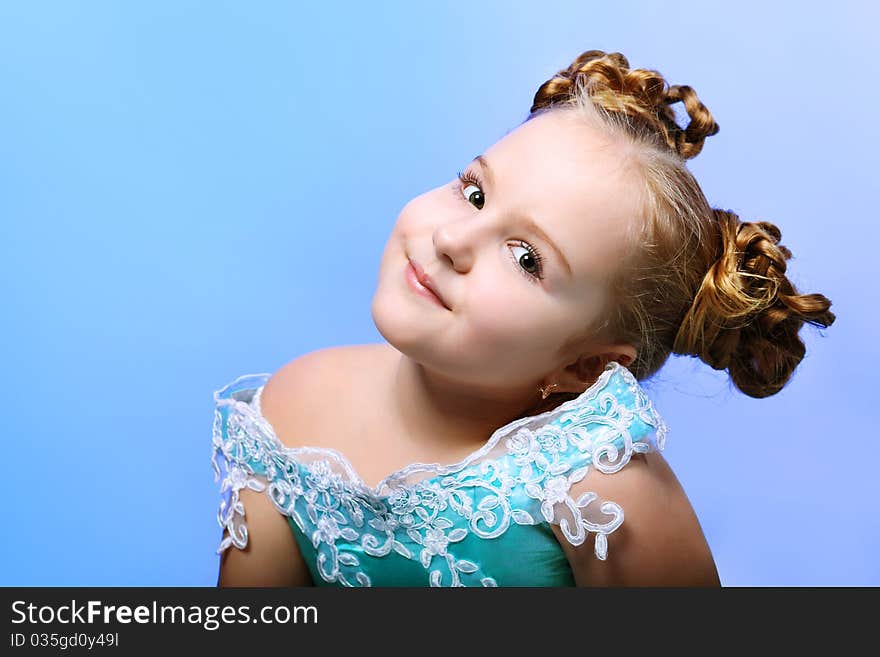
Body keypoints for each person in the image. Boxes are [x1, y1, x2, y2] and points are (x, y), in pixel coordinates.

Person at [211, 49, 835, 587]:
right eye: (475, 191)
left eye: (526, 258)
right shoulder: (288, 410)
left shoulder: (601, 491)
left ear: (585, 365)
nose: (455, 238)